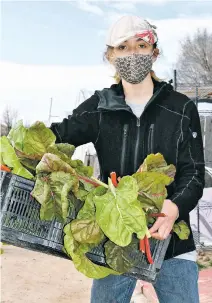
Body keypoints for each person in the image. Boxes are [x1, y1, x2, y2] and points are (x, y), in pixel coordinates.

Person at [50, 15, 205, 303]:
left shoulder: (181, 108)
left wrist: (174, 207)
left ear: (154, 53)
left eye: (141, 45)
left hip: (170, 241)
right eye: (122, 47)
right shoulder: (99, 107)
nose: (132, 54)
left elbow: (194, 173)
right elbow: (54, 138)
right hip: (114, 241)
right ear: (110, 55)